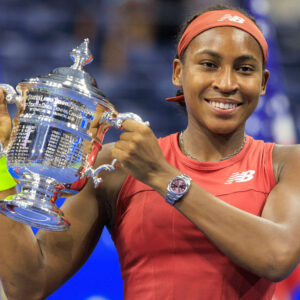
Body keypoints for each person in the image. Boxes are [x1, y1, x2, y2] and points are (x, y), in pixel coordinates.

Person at [1, 3, 300, 300]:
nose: (226, 83)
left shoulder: (287, 163)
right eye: (209, 64)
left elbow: (277, 257)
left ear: (262, 83)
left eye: (244, 69)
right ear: (177, 73)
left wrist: (163, 177)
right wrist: (2, 162)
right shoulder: (117, 167)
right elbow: (27, 285)